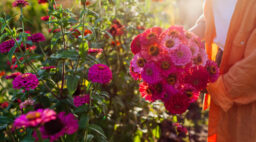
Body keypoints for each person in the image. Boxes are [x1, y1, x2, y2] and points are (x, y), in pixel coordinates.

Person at [190, 0, 256, 141]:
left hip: (245, 79)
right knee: (227, 132)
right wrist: (184, 37)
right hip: (227, 67)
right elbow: (219, 16)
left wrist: (224, 86)